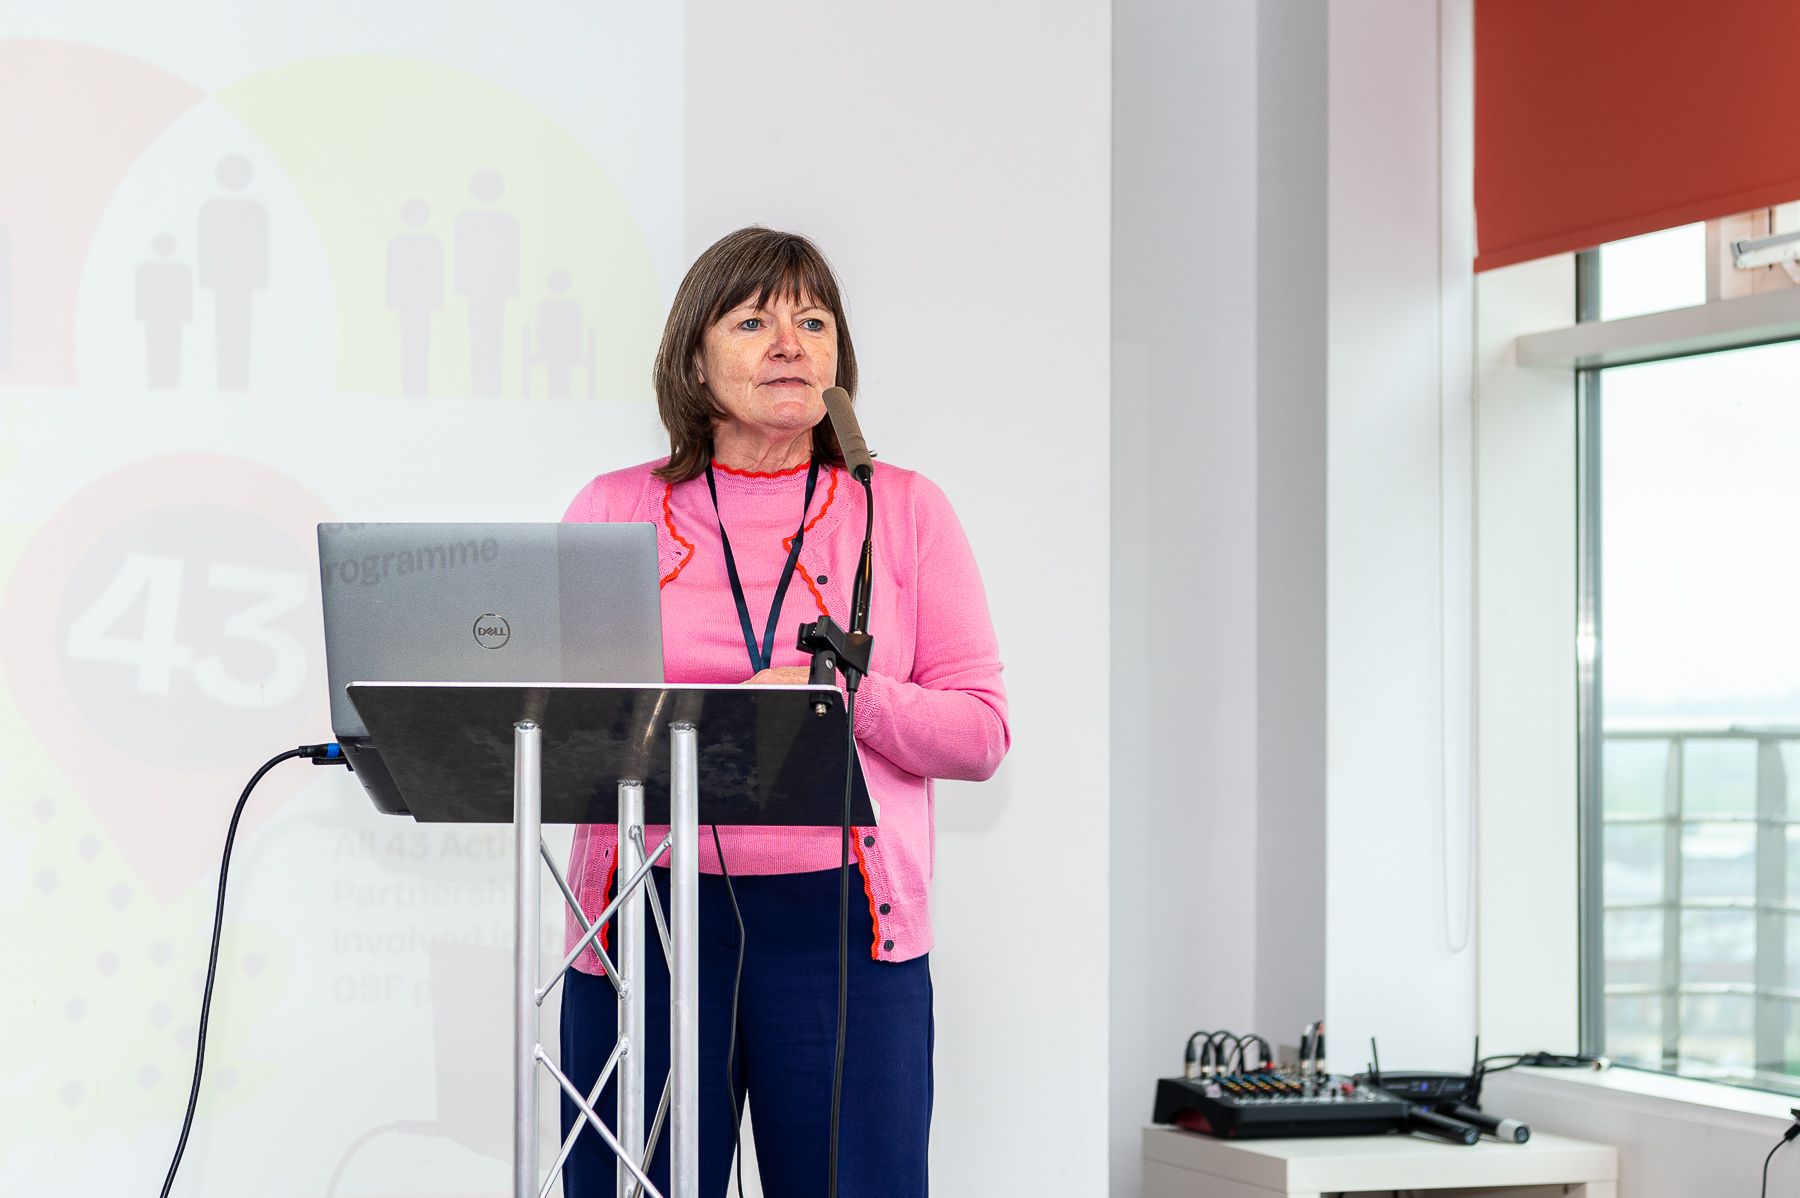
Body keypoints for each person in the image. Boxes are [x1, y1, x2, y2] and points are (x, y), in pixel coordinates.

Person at [557, 226, 1009, 1198]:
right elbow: (565, 725)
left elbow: (980, 730)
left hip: (845, 927)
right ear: (693, 356)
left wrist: (849, 703)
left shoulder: (903, 511)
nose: (790, 341)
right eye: (754, 318)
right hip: (650, 917)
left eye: (813, 319)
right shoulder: (612, 510)